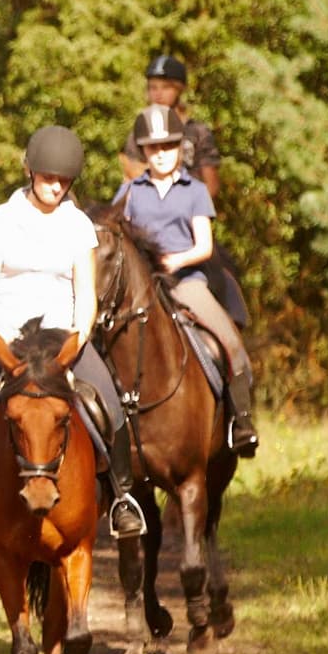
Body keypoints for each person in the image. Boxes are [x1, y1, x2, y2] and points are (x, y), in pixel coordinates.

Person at [0, 126, 150, 541]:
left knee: (110, 407)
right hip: (4, 335)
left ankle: (122, 498)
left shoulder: (78, 224)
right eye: (48, 178)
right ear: (30, 172)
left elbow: (85, 291)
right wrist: (0, 332)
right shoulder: (2, 220)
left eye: (63, 181)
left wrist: (80, 335)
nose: (56, 187)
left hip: (62, 337)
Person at [117, 106, 260, 455]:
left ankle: (241, 423)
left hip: (186, 283)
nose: (161, 154)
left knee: (230, 343)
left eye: (168, 146)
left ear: (180, 147)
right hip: (143, 287)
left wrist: (174, 260)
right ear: (144, 152)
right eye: (153, 148)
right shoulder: (130, 193)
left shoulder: (194, 190)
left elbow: (204, 245)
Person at [138, 49, 255, 338]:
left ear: (179, 90)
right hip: (147, 222)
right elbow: (131, 172)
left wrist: (192, 208)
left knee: (221, 268)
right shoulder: (140, 130)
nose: (158, 93)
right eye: (153, 87)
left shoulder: (198, 132)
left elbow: (210, 181)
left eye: (165, 87)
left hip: (188, 221)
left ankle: (230, 320)